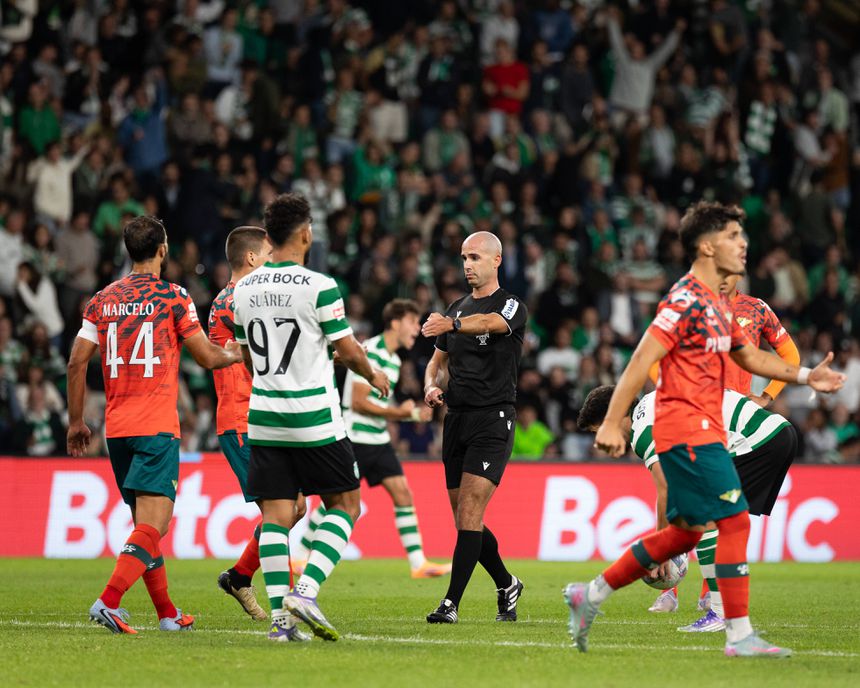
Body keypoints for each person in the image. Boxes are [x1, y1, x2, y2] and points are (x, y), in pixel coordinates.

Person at [564, 201, 845, 658]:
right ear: (707, 246)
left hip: (708, 426)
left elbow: (751, 359)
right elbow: (640, 359)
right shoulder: (684, 300)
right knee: (729, 520)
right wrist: (613, 421)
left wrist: (804, 376)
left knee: (687, 534)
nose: (744, 244)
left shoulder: (717, 303)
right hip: (684, 428)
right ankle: (736, 634)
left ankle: (590, 594)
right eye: (734, 236)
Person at [67, 216, 243, 634]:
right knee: (154, 525)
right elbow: (206, 357)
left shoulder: (102, 299)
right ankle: (108, 602)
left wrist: (76, 421)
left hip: (117, 429)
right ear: (162, 249)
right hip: (156, 425)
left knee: (145, 527)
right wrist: (238, 354)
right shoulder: (174, 297)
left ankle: (166, 614)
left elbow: (76, 362)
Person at [231, 193, 390, 642]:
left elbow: (246, 356)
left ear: (268, 237)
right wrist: (373, 373)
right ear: (305, 233)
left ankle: (281, 625)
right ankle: (305, 590)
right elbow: (347, 349)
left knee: (276, 517)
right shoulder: (319, 286)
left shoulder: (243, 289)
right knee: (345, 505)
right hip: (315, 418)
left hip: (264, 417)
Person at [577, 384, 798, 632]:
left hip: (755, 442)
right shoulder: (653, 404)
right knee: (720, 522)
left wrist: (660, 550)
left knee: (704, 518)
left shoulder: (643, 431)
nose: (600, 442)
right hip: (775, 434)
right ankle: (729, 613)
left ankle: (721, 613)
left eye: (600, 431)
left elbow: (665, 488)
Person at [646, 272, 801, 613]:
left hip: (735, 424)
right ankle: (670, 587)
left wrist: (767, 395)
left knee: (716, 508)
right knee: (674, 496)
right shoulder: (691, 308)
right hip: (694, 414)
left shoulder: (756, 309)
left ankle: (704, 591)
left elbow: (790, 356)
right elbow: (654, 358)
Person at [294, 299, 451, 579]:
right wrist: (402, 414)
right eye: (413, 322)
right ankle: (300, 557)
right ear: (395, 322)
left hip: (376, 439)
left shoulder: (392, 359)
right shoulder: (372, 351)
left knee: (403, 494)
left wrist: (407, 415)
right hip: (355, 439)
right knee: (340, 501)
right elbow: (358, 402)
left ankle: (418, 564)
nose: (417, 329)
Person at [420, 231, 528, 624]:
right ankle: (507, 582)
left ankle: (450, 603)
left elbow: (492, 323)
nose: (468, 264)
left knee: (468, 512)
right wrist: (431, 385)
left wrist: (451, 323)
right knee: (466, 518)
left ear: (496, 260)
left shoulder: (511, 304)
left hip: (494, 418)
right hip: (457, 419)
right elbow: (437, 362)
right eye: (464, 257)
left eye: (476, 257)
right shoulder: (457, 306)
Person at [209, 226, 308, 621]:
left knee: (295, 506)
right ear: (251, 259)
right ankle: (285, 606)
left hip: (263, 416)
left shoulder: (245, 297)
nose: (275, 260)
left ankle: (239, 575)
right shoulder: (235, 299)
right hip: (241, 417)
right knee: (281, 508)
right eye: (270, 253)